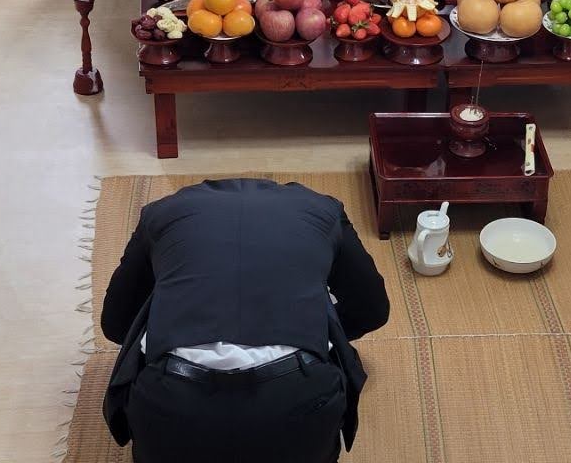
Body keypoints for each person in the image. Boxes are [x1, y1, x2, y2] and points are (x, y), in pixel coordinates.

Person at [100, 178, 389, 463]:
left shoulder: (160, 213)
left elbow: (116, 324)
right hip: (300, 403)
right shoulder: (324, 210)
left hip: (170, 406)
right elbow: (372, 310)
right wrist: (317, 327)